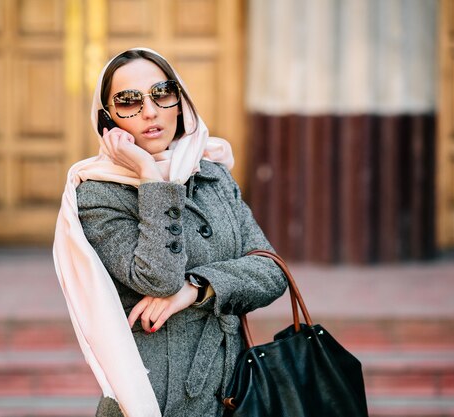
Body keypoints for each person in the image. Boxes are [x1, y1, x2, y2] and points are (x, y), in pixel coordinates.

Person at [52, 48, 287, 417]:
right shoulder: (97, 195)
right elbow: (158, 279)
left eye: (162, 93)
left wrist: (196, 288)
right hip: (159, 394)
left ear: (181, 102)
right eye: (128, 102)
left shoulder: (213, 175)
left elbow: (272, 272)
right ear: (107, 120)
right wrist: (150, 176)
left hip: (237, 389)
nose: (150, 112)